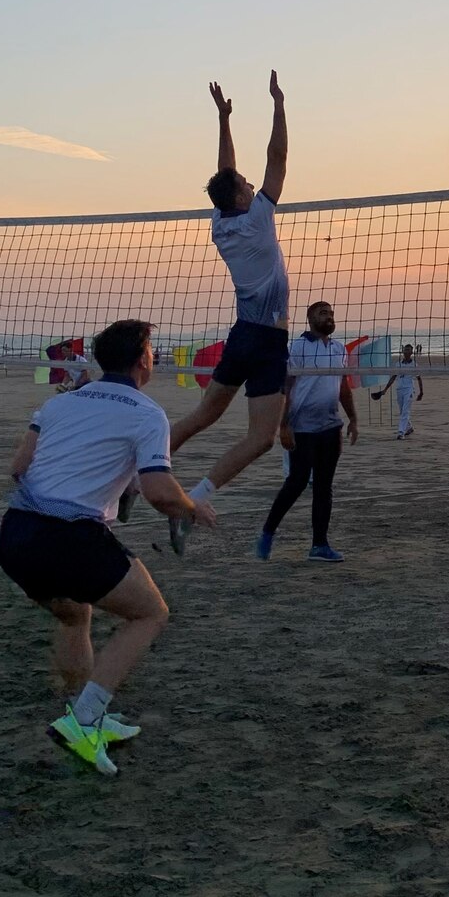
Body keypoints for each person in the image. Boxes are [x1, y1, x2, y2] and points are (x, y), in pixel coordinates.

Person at [0, 319, 217, 776]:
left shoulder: (59, 405)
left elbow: (19, 467)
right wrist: (191, 506)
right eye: (152, 350)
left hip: (15, 535)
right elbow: (159, 491)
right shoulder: (146, 412)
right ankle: (86, 717)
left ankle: (83, 715)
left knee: (76, 613)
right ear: (142, 359)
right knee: (151, 613)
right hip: (68, 536)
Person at [169, 72, 290, 555]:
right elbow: (276, 158)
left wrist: (223, 120)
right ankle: (194, 499)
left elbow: (225, 175)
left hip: (244, 334)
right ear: (244, 197)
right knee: (259, 438)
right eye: (246, 183)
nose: (251, 181)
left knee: (204, 415)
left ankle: (138, 479)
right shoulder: (257, 217)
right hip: (263, 341)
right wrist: (279, 105)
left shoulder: (221, 221)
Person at [255, 300, 357, 561]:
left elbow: (343, 386)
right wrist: (284, 424)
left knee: (324, 486)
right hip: (302, 426)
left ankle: (319, 545)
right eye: (323, 313)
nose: (329, 317)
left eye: (332, 313)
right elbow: (286, 387)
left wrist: (353, 418)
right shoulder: (298, 347)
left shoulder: (338, 348)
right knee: (297, 482)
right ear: (310, 319)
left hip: (330, 426)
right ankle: (268, 531)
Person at [374, 343, 423, 439]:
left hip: (409, 389)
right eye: (405, 350)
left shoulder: (414, 365)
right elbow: (393, 377)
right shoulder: (398, 364)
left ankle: (401, 432)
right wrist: (385, 390)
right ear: (403, 351)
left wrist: (421, 392)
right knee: (402, 411)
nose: (406, 352)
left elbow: (419, 378)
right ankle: (409, 427)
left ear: (411, 352)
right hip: (399, 389)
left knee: (405, 411)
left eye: (408, 350)